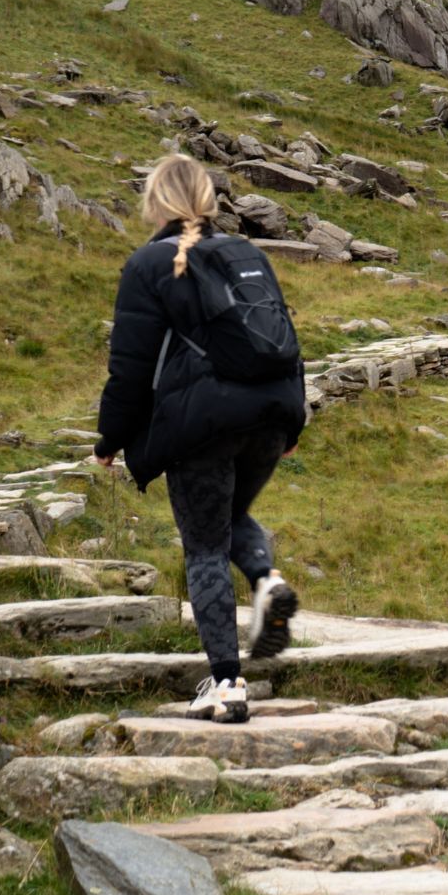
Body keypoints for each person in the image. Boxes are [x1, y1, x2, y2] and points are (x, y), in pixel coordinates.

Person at [94, 153, 309, 724]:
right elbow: (285, 331)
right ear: (209, 200)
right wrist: (293, 420)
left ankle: (226, 684)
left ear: (155, 202)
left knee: (205, 546)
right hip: (272, 413)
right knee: (227, 516)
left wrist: (109, 438)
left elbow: (131, 367)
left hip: (203, 425)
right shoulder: (248, 252)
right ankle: (267, 580)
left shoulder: (147, 265)